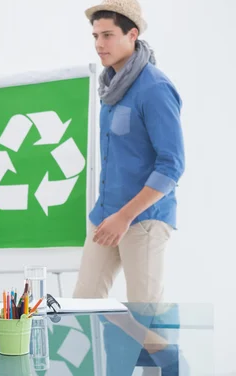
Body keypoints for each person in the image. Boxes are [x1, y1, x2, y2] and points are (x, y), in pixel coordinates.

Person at [74, 0, 185, 304]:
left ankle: (156, 353)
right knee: (83, 306)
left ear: (132, 35)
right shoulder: (110, 87)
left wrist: (124, 218)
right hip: (105, 214)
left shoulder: (155, 88)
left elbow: (171, 166)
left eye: (107, 35)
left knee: (146, 316)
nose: (99, 44)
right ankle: (105, 354)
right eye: (95, 36)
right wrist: (110, 215)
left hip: (143, 219)